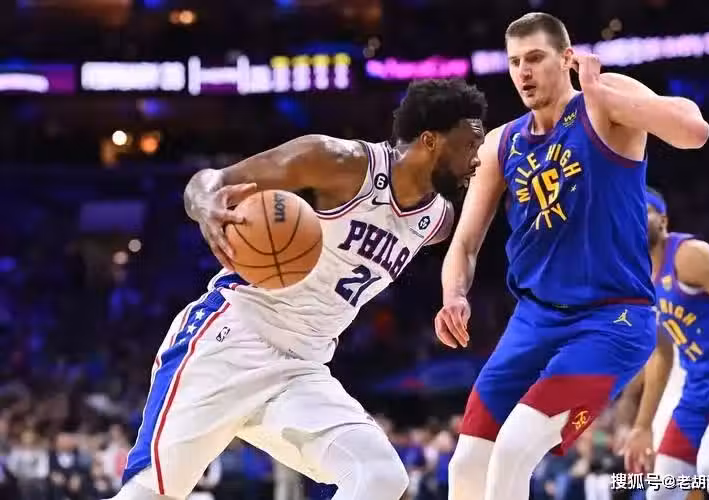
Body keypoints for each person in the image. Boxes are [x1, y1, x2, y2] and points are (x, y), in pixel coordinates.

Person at [112, 78, 487, 500]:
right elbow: (209, 181)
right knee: (149, 495)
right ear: (430, 140)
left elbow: (466, 249)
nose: (477, 159)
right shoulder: (337, 162)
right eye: (470, 145)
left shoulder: (437, 221)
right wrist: (206, 206)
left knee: (380, 476)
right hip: (231, 341)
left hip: (302, 367)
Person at [433, 12, 709, 500]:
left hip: (612, 319)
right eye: (514, 62)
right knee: (468, 462)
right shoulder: (502, 143)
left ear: (566, 59)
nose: (523, 72)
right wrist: (454, 294)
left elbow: (693, 130)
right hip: (534, 319)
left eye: (535, 58)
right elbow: (465, 244)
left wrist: (602, 92)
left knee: (515, 448)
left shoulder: (604, 101)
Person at [619, 187, 709, 499]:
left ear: (663, 221)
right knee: (661, 491)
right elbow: (662, 355)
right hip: (698, 388)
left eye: (642, 211)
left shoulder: (688, 256)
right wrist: (642, 425)